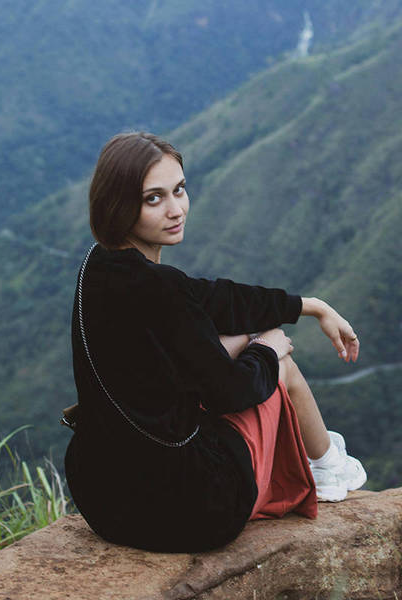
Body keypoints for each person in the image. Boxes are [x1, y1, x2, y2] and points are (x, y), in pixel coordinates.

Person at [64, 132, 367, 553]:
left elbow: (216, 299)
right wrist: (268, 349)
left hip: (106, 502)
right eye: (153, 199)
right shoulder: (161, 287)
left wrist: (308, 306)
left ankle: (325, 461)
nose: (175, 209)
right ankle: (329, 467)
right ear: (118, 204)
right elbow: (231, 392)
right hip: (192, 508)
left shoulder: (99, 266)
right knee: (278, 362)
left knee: (241, 338)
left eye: (179, 190)